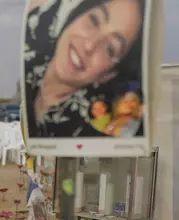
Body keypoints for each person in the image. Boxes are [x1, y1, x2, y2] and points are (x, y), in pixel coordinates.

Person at [24, 0, 145, 137]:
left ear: (109, 74)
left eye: (110, 48)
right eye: (94, 20)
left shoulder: (88, 134)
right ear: (74, 16)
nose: (89, 45)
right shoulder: (28, 59)